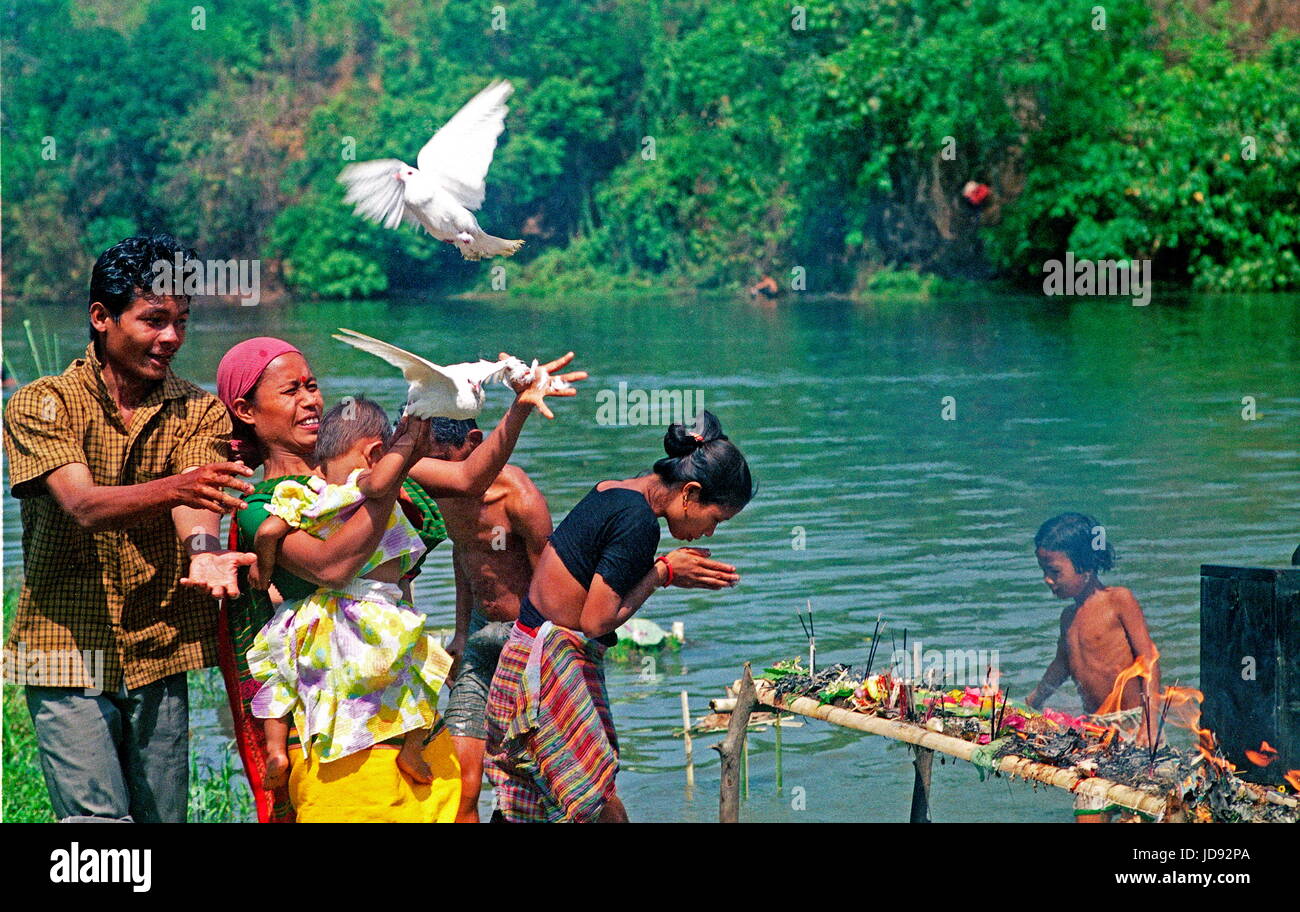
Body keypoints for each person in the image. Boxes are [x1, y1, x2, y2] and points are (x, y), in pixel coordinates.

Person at [217, 337, 584, 822]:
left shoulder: (360, 470)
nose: (310, 399)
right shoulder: (265, 505)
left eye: (312, 385)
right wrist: (389, 472)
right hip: (340, 741)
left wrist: (517, 408)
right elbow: (333, 565)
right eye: (290, 391)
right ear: (246, 410)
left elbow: (469, 478)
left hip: (403, 710)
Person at [2, 234, 256, 822]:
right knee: (97, 827)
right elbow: (84, 505)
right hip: (63, 647)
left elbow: (196, 501)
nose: (172, 337)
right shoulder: (41, 404)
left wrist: (203, 549)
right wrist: (180, 485)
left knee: (160, 822)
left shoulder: (199, 409)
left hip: (158, 644)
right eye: (153, 320)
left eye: (181, 321)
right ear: (101, 317)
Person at [485, 410, 756, 822]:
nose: (710, 533)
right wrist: (664, 572)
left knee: (540, 803)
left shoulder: (614, 490)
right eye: (715, 519)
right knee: (595, 803)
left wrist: (662, 572)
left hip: (526, 653)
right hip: (546, 670)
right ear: (691, 493)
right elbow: (597, 621)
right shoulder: (638, 523)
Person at [248, 398, 450, 789]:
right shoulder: (364, 483)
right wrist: (407, 446)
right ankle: (410, 748)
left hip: (316, 612)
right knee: (420, 671)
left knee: (281, 675)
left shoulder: (308, 494)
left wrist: (263, 564)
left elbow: (270, 530)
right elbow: (379, 484)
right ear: (376, 453)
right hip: (374, 607)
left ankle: (276, 750)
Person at [426, 417, 553, 822]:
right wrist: (462, 632)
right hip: (481, 638)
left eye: (442, 462)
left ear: (474, 442)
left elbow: (551, 586)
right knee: (460, 782)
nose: (436, 476)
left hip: (530, 640)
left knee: (554, 779)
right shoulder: (444, 492)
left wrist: (539, 662)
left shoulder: (519, 498)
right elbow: (463, 553)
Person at [1025, 512, 1161, 822]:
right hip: (1094, 733)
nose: (1048, 579)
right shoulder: (1068, 618)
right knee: (1088, 812)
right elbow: (1062, 665)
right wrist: (1036, 699)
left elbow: (1148, 659)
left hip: (1133, 727)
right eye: (1044, 571)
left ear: (1085, 566)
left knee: (1136, 812)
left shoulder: (1119, 601)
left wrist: (1149, 723)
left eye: (1055, 571)